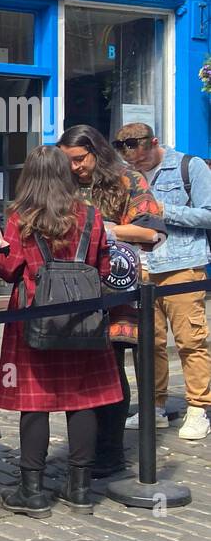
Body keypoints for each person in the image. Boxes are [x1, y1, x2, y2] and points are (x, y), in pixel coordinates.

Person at [0, 146, 119, 516]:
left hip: (34, 316)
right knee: (82, 401)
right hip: (83, 317)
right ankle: (79, 489)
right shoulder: (91, 216)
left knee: (34, 403)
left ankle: (32, 492)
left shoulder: (20, 217)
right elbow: (104, 267)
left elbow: (9, 268)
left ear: (29, 175)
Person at [57, 125, 166, 477]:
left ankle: (110, 453)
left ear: (96, 152)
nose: (74, 167)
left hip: (117, 289)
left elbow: (152, 231)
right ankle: (83, 452)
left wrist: (103, 228)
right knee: (78, 374)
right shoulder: (63, 185)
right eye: (67, 161)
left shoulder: (127, 180)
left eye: (79, 159)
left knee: (111, 370)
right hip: (71, 290)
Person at [111, 123, 211, 441]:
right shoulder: (127, 175)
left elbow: (209, 214)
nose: (134, 162)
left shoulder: (188, 165)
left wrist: (164, 211)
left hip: (182, 265)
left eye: (140, 155)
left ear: (154, 143)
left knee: (190, 340)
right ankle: (154, 407)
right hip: (142, 267)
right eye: (128, 157)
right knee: (148, 344)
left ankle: (199, 408)